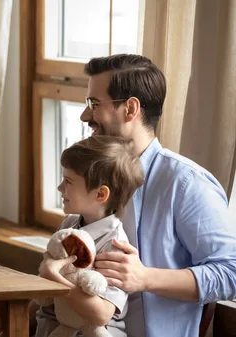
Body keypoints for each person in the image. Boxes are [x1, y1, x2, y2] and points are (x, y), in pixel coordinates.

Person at [67, 54, 236, 337]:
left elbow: (232, 274)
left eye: (94, 104)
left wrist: (144, 278)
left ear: (130, 108)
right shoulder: (88, 176)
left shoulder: (187, 184)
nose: (85, 116)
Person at [36, 135, 144, 337]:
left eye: (68, 181)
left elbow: (101, 314)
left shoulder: (115, 246)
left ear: (100, 194)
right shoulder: (69, 225)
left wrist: (56, 278)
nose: (60, 188)